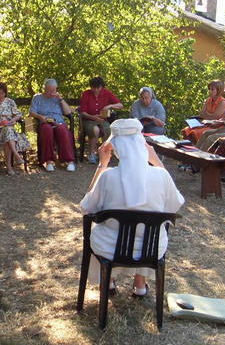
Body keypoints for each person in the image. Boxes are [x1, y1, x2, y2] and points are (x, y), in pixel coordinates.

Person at [80, 119, 184, 296]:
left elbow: (87, 207)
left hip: (110, 247)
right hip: (152, 249)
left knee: (102, 231)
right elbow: (175, 204)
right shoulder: (161, 175)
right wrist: (157, 161)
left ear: (115, 148)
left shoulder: (107, 177)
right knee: (146, 235)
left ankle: (108, 281)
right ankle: (140, 285)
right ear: (142, 145)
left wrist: (102, 165)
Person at [30, 78, 76, 172]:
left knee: (63, 130)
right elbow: (32, 112)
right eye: (49, 90)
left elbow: (68, 112)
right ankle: (49, 161)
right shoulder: (37, 98)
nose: (51, 93)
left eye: (53, 90)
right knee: (47, 130)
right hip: (45, 122)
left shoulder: (58, 98)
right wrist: (40, 116)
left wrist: (61, 99)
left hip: (58, 122)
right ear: (44, 89)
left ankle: (69, 161)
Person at [79, 77, 123, 164]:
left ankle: (104, 153)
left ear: (101, 87)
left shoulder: (106, 93)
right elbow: (83, 112)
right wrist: (93, 117)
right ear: (91, 87)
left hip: (102, 120)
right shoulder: (86, 94)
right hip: (89, 120)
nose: (96, 90)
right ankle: (92, 153)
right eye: (93, 87)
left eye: (98, 87)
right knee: (95, 129)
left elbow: (120, 105)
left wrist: (110, 106)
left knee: (108, 129)